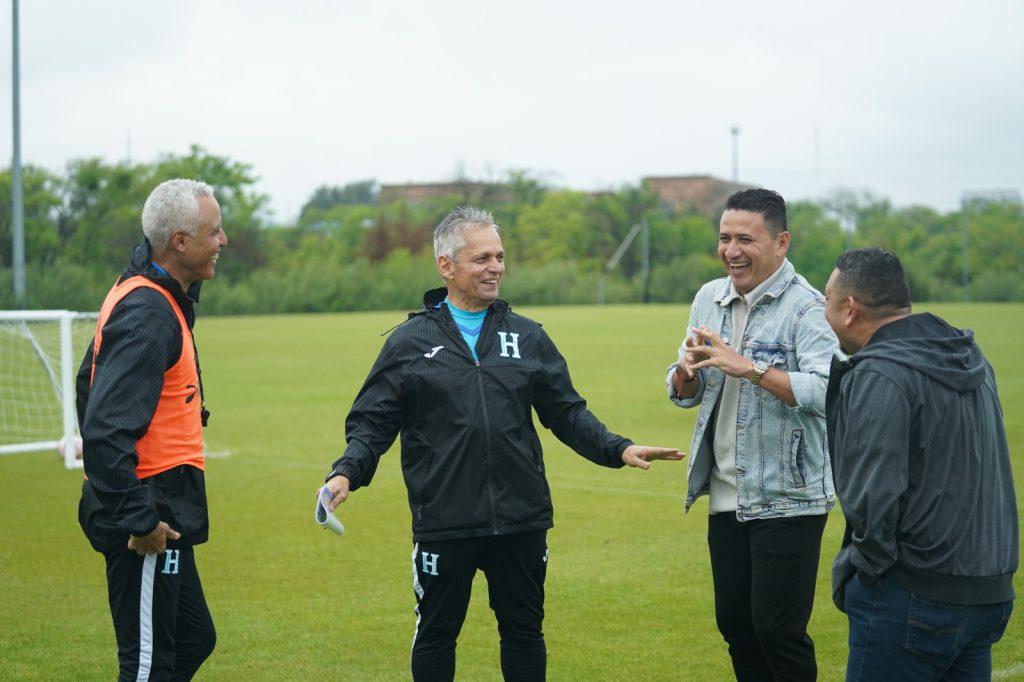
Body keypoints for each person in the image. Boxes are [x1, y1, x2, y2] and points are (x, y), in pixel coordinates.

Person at [320, 206, 683, 682]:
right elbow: (373, 421)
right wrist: (347, 470)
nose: (495, 267)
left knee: (524, 632)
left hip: (521, 516)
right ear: (446, 266)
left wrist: (617, 448)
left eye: (500, 256)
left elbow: (566, 412)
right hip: (444, 520)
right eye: (481, 258)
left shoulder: (527, 336)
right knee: (435, 634)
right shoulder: (409, 342)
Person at [665, 188, 838, 681]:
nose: (731, 250)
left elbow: (831, 392)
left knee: (778, 632)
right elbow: (684, 390)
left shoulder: (809, 309)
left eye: (745, 238)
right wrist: (685, 375)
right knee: (737, 627)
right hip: (725, 495)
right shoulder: (708, 297)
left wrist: (750, 368)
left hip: (788, 497)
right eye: (724, 238)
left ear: (781, 242)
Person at [823, 247, 1017, 680]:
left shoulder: (879, 373)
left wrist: (865, 575)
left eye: (826, 300)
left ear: (850, 309)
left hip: (912, 596)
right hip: (985, 589)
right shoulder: (971, 357)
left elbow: (873, 498)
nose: (825, 311)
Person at [77, 178, 227, 680]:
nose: (222, 241)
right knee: (148, 664)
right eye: (213, 231)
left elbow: (87, 383)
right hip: (144, 518)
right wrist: (138, 519)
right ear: (179, 242)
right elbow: (104, 428)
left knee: (192, 638)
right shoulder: (148, 311)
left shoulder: (159, 295)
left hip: (161, 507)